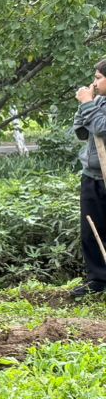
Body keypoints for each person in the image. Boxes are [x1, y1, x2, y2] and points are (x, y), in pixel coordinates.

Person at [74, 59, 106, 299]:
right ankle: (97, 279)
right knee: (91, 229)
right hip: (93, 176)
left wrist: (88, 105)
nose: (94, 83)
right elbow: (82, 131)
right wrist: (84, 106)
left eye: (98, 78)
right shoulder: (99, 102)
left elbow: (103, 128)